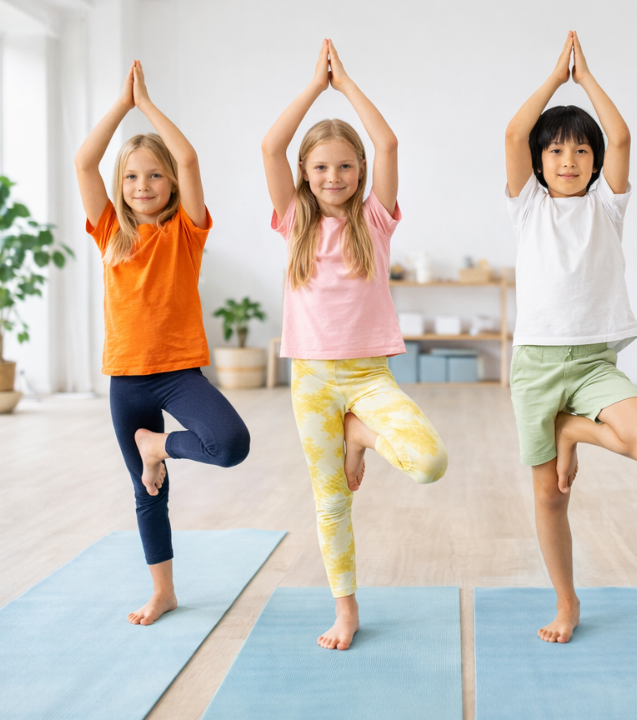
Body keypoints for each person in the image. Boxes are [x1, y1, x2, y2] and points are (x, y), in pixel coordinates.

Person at [261, 39, 449, 651]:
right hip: (312, 379)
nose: (333, 177)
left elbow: (389, 142)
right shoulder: (294, 221)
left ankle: (361, 434)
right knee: (330, 502)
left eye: (345, 166)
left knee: (428, 462)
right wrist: (315, 87)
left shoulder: (375, 221)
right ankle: (345, 609)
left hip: (368, 376)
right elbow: (270, 145)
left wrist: (348, 87)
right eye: (320, 167)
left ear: (361, 172)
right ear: (304, 175)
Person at [504, 31, 637, 644]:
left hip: (595, 364)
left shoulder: (608, 207)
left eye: (580, 151)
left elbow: (622, 135)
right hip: (538, 366)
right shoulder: (529, 207)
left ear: (595, 161)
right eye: (555, 152)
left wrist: (586, 77)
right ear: (539, 161)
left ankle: (573, 428)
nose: (568, 161)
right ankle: (566, 601)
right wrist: (554, 79)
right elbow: (511, 137)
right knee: (550, 499)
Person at [74, 61, 251, 626]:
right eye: (131, 177)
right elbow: (83, 161)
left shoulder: (186, 233)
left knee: (230, 444)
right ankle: (163, 591)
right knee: (147, 496)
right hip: (126, 379)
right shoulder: (109, 230)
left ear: (171, 183)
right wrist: (119, 108)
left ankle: (160, 446)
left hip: (178, 374)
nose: (142, 186)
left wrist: (147, 105)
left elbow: (191, 157)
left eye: (154, 175)